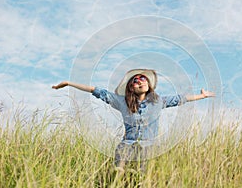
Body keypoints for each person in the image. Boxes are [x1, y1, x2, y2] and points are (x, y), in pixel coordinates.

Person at [52, 69, 215, 172]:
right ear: (131, 87)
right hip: (126, 147)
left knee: (143, 179)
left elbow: (182, 98)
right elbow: (96, 90)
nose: (140, 81)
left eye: (143, 78)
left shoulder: (159, 102)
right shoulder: (122, 102)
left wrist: (202, 95)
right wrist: (69, 83)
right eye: (136, 80)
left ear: (149, 84)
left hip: (149, 148)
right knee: (118, 176)